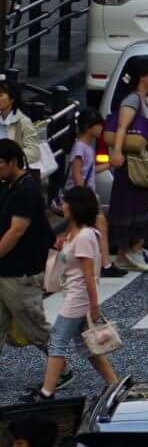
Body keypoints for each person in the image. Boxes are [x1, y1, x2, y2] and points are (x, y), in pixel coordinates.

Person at [29, 187, 115, 401]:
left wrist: (94, 306)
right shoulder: (75, 234)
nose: (62, 205)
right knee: (88, 347)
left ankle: (47, 392)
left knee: (57, 341)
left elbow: (89, 275)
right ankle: (115, 385)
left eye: (66, 202)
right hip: (75, 295)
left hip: (78, 298)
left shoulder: (85, 236)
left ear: (75, 206)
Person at [105, 57, 148, 273]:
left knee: (147, 207)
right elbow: (122, 126)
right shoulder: (132, 100)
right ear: (143, 77)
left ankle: (128, 253)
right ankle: (130, 251)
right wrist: (118, 152)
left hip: (145, 163)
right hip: (131, 164)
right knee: (132, 207)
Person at [0, 140, 51, 382]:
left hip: (21, 270)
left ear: (13, 162)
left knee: (34, 326)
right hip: (6, 269)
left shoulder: (26, 189)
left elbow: (17, 231)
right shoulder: (8, 186)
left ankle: (60, 367)